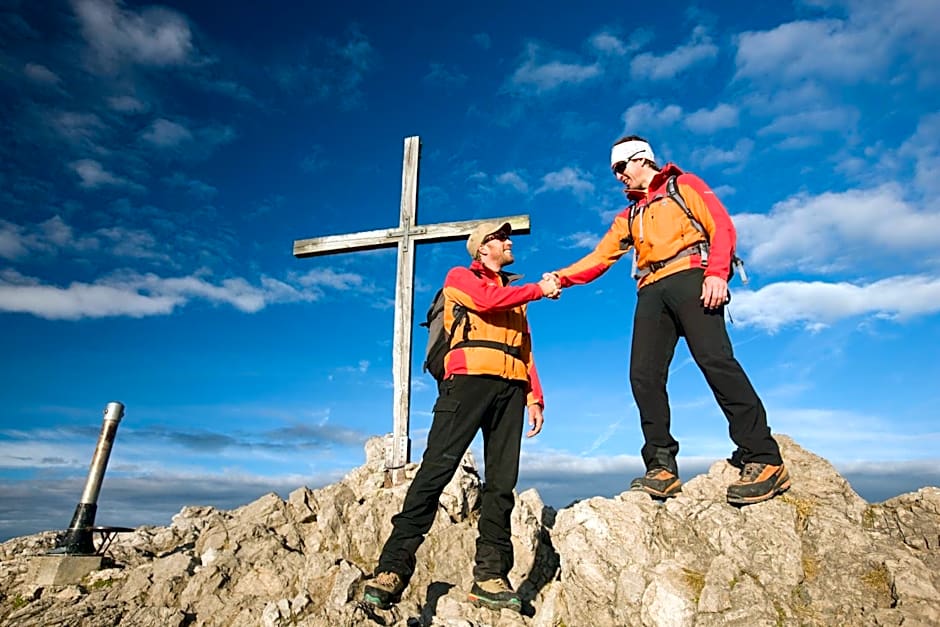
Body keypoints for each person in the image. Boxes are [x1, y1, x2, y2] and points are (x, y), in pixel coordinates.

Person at [546, 135, 789, 506]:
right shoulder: (628, 215)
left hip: (692, 275)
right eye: (615, 170)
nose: (617, 176)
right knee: (643, 374)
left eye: (620, 167)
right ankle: (661, 467)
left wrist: (718, 273)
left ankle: (763, 457)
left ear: (642, 159)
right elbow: (600, 257)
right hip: (650, 289)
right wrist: (560, 277)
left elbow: (721, 227)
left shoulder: (684, 185)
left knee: (715, 360)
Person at [362, 221, 560, 613]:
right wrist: (540, 288)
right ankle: (392, 569)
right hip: (467, 382)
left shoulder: (513, 294)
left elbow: (525, 347)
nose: (508, 242)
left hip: (510, 388)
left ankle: (489, 576)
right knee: (436, 471)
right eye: (501, 238)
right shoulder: (461, 277)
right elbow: (485, 302)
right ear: (483, 248)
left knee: (502, 483)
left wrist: (534, 395)